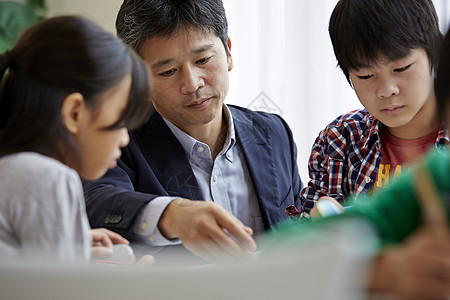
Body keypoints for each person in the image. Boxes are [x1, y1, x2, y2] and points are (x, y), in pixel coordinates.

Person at [83, 0, 302, 263]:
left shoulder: (273, 132)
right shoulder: (119, 141)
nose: (192, 83)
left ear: (229, 52)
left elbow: (293, 228)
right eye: (168, 71)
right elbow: (98, 202)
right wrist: (172, 215)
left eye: (203, 59)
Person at [0, 15, 152, 264]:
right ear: (74, 113)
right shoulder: (47, 177)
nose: (124, 139)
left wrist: (74, 251)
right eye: (121, 120)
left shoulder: (13, 169)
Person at [298, 0, 449, 214]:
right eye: (366, 75)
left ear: (435, 53)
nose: (387, 90)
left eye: (401, 68)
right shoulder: (340, 139)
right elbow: (304, 233)